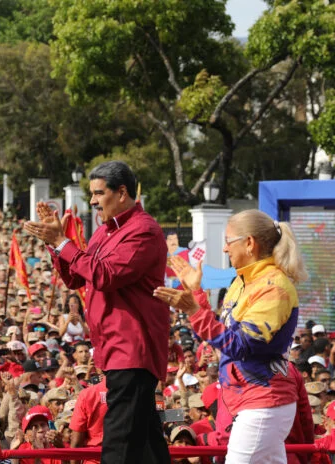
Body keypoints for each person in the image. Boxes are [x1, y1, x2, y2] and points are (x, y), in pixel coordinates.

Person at [24, 160, 170, 464]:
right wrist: (56, 247)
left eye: (98, 193)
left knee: (117, 442)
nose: (91, 201)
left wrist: (62, 242)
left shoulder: (144, 231)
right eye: (91, 194)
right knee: (148, 444)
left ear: (122, 193)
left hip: (132, 348)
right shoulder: (105, 232)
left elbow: (104, 275)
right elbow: (76, 277)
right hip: (116, 348)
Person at [155, 209, 308, 464]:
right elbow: (219, 337)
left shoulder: (274, 287)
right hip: (250, 400)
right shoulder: (241, 282)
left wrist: (193, 309)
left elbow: (241, 345)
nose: (225, 249)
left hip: (263, 401)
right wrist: (197, 294)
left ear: (249, 243)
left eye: (228, 241)